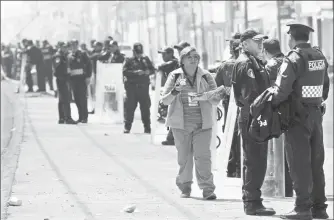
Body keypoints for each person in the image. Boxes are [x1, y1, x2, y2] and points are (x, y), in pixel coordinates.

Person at [271, 22, 330, 220]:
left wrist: (272, 103)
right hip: (315, 114)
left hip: (297, 117)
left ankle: (302, 208)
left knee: (299, 163)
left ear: (292, 38)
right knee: (315, 162)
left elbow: (282, 90)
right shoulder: (319, 56)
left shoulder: (294, 58)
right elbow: (325, 88)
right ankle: (319, 208)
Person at [161, 46, 218, 200]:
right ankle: (185, 187)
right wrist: (175, 91)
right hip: (181, 125)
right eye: (189, 57)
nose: (193, 60)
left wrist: (205, 95)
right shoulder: (174, 76)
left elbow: (216, 99)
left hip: (202, 125)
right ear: (182, 60)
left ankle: (207, 189)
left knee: (203, 157)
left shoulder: (206, 76)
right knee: (184, 158)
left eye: (196, 57)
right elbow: (165, 100)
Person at [231, 29, 276, 216]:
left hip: (254, 115)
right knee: (255, 161)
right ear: (245, 43)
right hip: (253, 116)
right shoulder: (245, 63)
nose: (260, 44)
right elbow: (251, 96)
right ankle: (252, 202)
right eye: (256, 41)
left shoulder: (253, 61)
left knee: (256, 160)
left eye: (261, 41)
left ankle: (253, 200)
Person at [262, 38, 293, 198]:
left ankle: (281, 188)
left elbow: (268, 89)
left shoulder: (271, 65)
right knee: (291, 151)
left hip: (277, 112)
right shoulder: (289, 60)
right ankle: (288, 187)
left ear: (265, 51)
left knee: (277, 153)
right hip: (293, 111)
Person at [215, 36, 241, 178]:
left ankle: (233, 168)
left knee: (231, 135)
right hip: (242, 107)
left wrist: (226, 90)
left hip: (232, 108)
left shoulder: (226, 65)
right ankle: (237, 168)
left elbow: (215, 85)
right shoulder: (253, 63)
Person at [122, 43, 155, 133]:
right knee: (130, 108)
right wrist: (136, 72)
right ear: (133, 52)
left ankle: (147, 127)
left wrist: (148, 72)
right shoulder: (129, 60)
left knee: (145, 108)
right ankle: (127, 127)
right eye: (137, 52)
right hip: (132, 88)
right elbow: (124, 71)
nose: (139, 54)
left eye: (140, 52)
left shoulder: (146, 59)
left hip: (143, 88)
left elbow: (153, 69)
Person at [157, 46, 179, 146]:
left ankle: (172, 138)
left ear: (170, 54)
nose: (162, 56)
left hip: (177, 92)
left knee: (174, 114)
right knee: (173, 115)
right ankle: (172, 138)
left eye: (164, 54)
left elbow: (161, 67)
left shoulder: (174, 62)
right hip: (172, 92)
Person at [68, 39, 92, 123]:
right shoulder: (69, 56)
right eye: (72, 45)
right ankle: (80, 117)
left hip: (82, 79)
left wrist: (88, 76)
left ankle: (85, 117)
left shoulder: (83, 54)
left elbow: (89, 65)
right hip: (73, 80)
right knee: (77, 99)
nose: (73, 46)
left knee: (82, 99)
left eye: (75, 44)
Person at [53, 42, 76, 124]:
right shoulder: (58, 56)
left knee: (62, 99)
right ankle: (67, 118)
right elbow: (57, 68)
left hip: (63, 78)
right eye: (64, 47)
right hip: (61, 79)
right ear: (60, 47)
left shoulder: (63, 56)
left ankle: (62, 118)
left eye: (66, 47)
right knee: (65, 99)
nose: (66, 49)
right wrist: (64, 76)